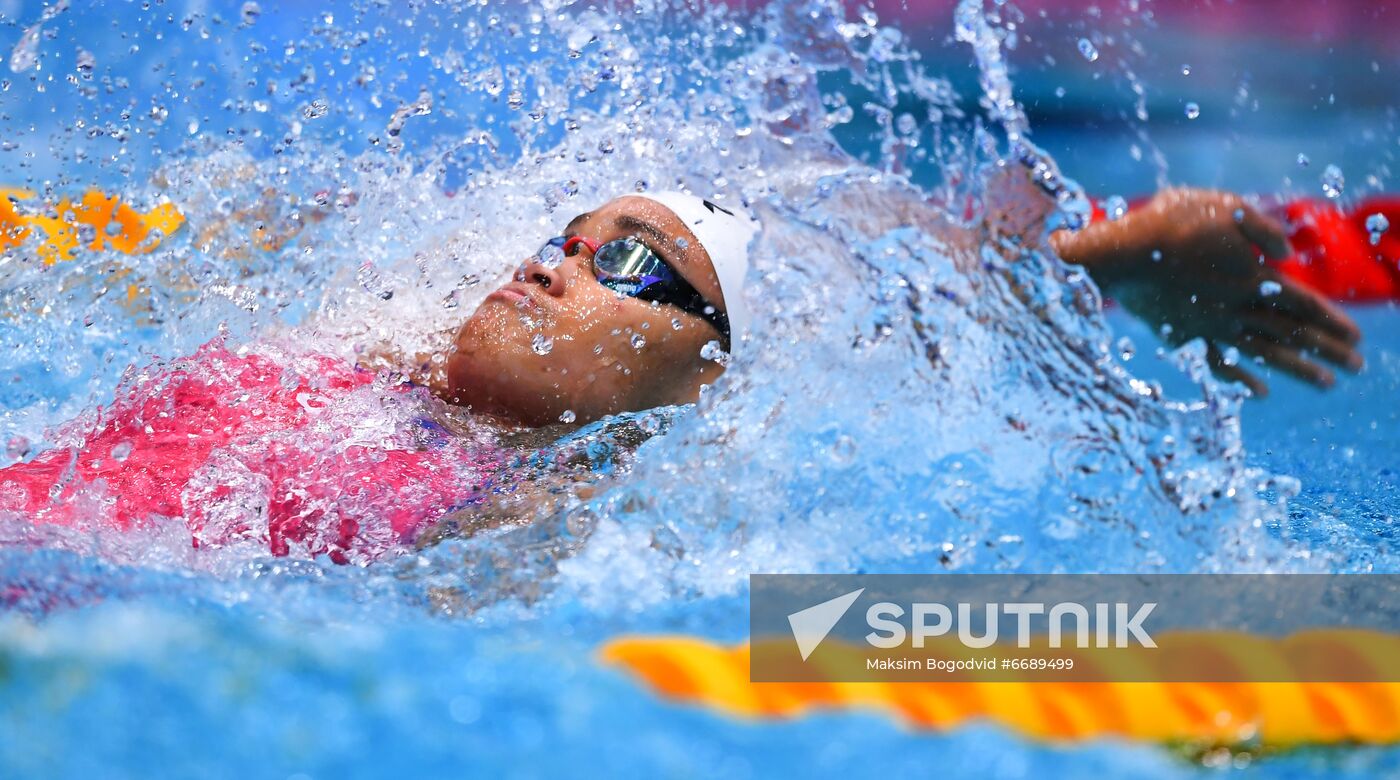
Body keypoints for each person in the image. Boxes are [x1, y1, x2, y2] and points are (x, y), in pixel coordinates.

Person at [0, 182, 1371, 561]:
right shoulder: (350, 346)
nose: (554, 266)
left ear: (712, 380)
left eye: (636, 268)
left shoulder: (533, 521)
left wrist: (1090, 264)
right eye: (565, 239)